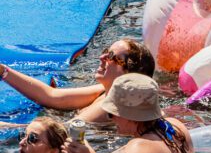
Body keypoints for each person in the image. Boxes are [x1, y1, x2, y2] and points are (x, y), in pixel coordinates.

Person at [62, 74, 200, 153]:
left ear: (129, 116)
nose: (112, 120)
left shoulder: (138, 146)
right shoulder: (176, 127)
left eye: (111, 114)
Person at [0, 38, 155, 124]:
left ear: (128, 72)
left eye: (111, 57)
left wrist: (5, 127)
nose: (102, 58)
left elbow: (63, 131)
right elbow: (51, 96)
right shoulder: (105, 90)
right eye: (105, 52)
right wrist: (3, 71)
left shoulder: (112, 105)